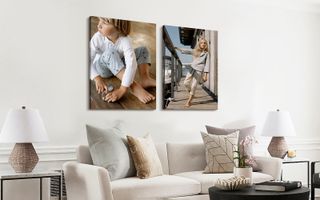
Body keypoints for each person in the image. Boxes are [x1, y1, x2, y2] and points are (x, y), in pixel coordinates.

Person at [90, 17, 156, 104]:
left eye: (105, 22)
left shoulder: (125, 40)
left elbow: (131, 64)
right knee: (110, 52)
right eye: (100, 20)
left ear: (118, 27)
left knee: (143, 50)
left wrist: (122, 88)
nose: (99, 25)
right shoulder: (97, 37)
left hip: (118, 63)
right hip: (103, 69)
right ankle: (134, 86)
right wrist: (97, 78)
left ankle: (145, 78)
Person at [175, 37, 210, 107]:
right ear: (199, 44)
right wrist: (178, 49)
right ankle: (191, 93)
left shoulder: (206, 54)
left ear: (206, 45)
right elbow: (187, 51)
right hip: (192, 68)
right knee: (186, 83)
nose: (203, 44)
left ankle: (189, 101)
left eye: (205, 43)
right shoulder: (195, 51)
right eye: (202, 43)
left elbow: (207, 64)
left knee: (194, 85)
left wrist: (206, 75)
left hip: (199, 70)